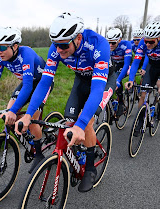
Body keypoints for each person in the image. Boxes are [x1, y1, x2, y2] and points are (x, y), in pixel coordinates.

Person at [15, 12, 116, 192]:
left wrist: (82, 123)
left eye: (63, 45)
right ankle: (77, 150)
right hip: (81, 80)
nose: (59, 50)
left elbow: (97, 89)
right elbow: (45, 82)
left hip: (103, 81)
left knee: (85, 123)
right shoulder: (56, 48)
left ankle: (90, 168)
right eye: (56, 45)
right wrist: (29, 114)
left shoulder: (98, 44)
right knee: (69, 120)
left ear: (78, 38)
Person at [0, 27, 53, 173]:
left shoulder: (26, 54)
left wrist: (14, 111)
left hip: (42, 84)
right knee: (9, 113)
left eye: (2, 47)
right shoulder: (0, 58)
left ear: (15, 46)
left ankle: (39, 154)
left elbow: (28, 87)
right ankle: (29, 137)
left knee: (31, 118)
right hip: (27, 83)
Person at [125, 21, 160, 136]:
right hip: (152, 66)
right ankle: (140, 120)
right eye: (146, 41)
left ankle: (157, 107)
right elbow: (136, 62)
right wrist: (130, 80)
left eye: (151, 42)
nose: (148, 44)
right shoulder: (142, 42)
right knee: (143, 94)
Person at [106, 28, 132, 116]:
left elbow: (126, 64)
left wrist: (117, 80)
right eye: (108, 42)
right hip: (114, 64)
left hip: (124, 64)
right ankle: (112, 101)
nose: (110, 45)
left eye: (113, 43)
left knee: (117, 78)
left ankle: (121, 102)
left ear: (119, 40)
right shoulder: (107, 46)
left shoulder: (126, 45)